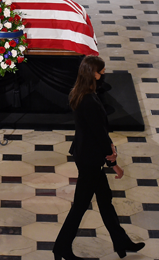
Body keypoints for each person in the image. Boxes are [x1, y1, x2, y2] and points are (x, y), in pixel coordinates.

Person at [53, 56, 144, 260]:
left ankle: (121, 242)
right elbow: (99, 134)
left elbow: (94, 130)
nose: (103, 75)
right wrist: (113, 162)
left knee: (105, 200)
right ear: (93, 73)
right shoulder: (89, 100)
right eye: (101, 72)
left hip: (84, 153)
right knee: (80, 206)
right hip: (90, 159)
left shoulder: (79, 92)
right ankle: (61, 248)